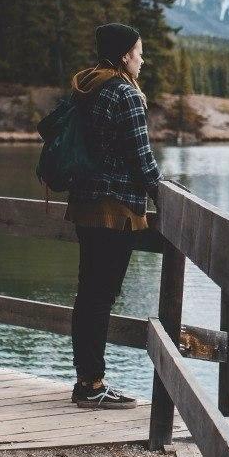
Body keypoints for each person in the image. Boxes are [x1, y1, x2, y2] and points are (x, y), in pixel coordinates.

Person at [66, 22, 164, 409]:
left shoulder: (89, 86)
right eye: (139, 52)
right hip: (115, 211)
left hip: (85, 206)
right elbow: (143, 161)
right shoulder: (125, 93)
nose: (143, 59)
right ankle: (91, 385)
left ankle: (86, 380)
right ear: (125, 55)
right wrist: (165, 192)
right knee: (100, 297)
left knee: (88, 294)